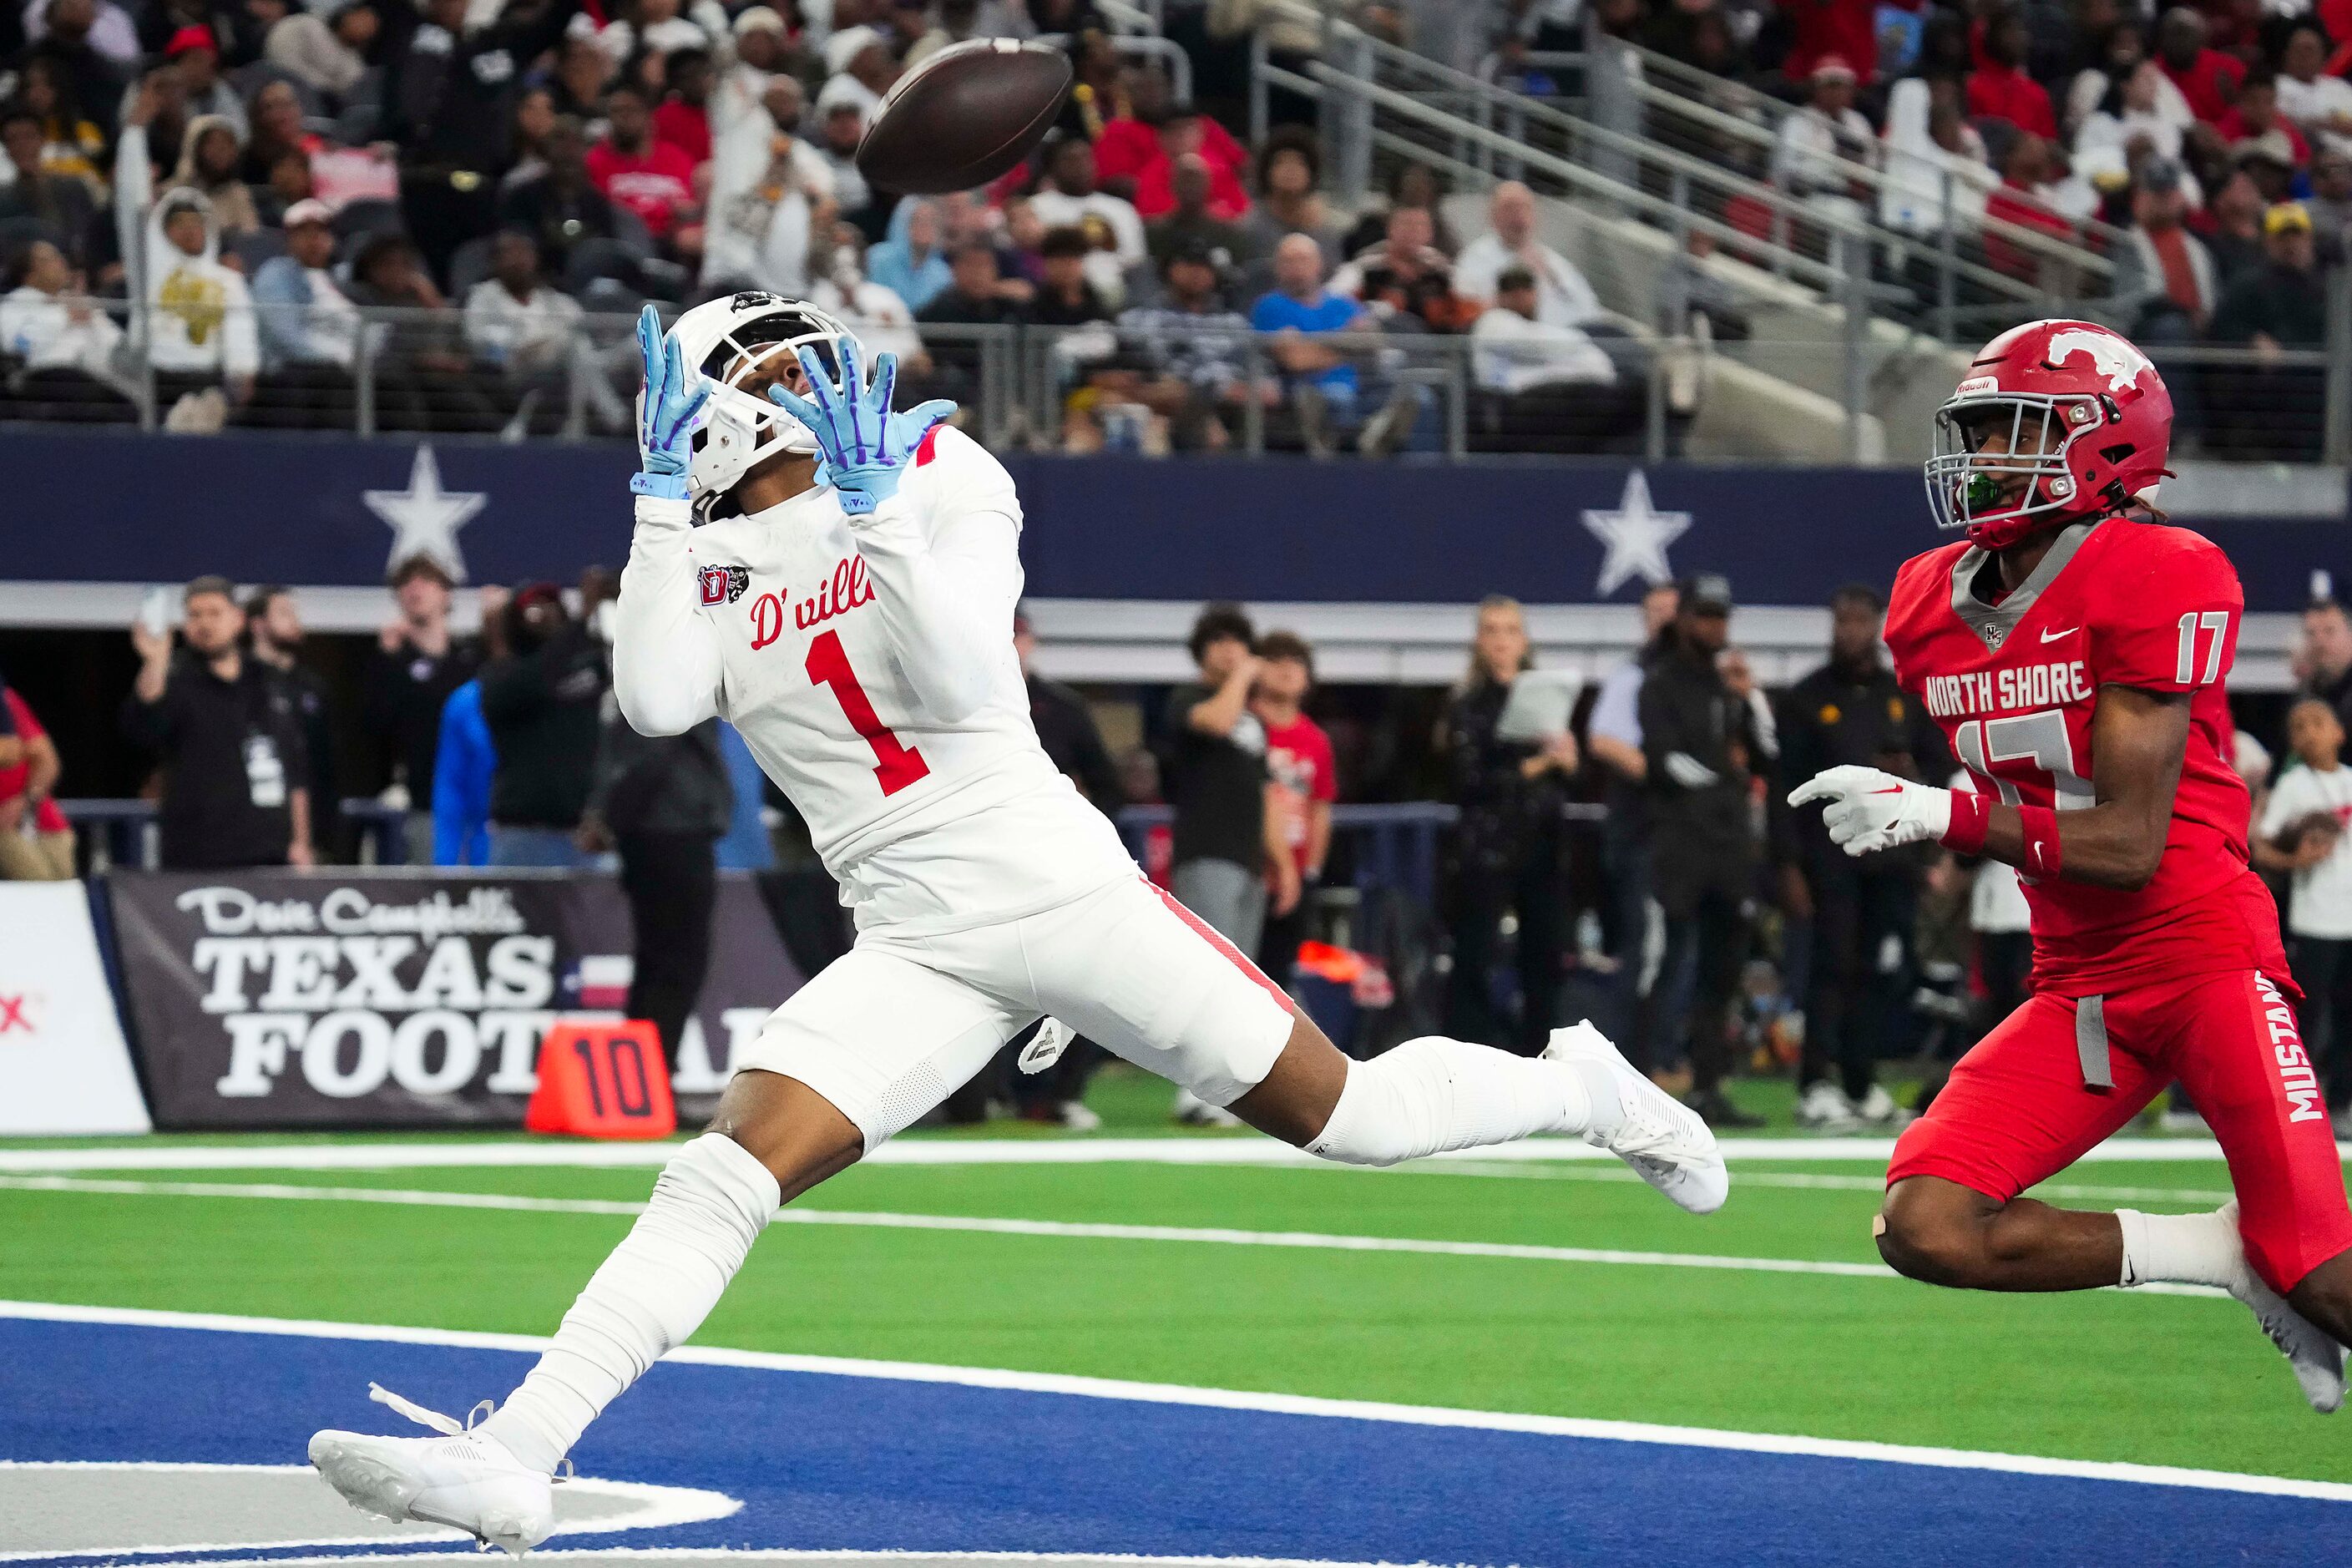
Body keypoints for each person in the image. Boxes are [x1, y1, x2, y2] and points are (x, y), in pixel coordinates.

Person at [308, 301, 1726, 1546]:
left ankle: (1577, 1082)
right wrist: (654, 513)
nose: (667, 436)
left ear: (739, 408)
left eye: (681, 415)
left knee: (1350, 1116)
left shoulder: (932, 468)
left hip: (1059, 891)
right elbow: (657, 700)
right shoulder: (706, 554)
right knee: (721, 1169)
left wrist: (869, 516)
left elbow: (962, 672)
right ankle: (516, 1455)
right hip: (915, 939)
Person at [1788, 316, 2352, 1414]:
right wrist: (1935, 812)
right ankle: (2219, 1255)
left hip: (2201, 960)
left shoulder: (2160, 569)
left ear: (2106, 443)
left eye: (2014, 428)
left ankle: (2273, 1259)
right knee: (1927, 1225)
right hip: (2076, 984)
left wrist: (1942, 815)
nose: (1984, 455)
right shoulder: (1922, 603)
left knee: (2325, 1276)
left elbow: (2128, 847)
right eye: (1978, 428)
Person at [1774, 584, 1946, 1130]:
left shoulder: (1900, 697)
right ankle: (1814, 1085)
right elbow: (1784, 789)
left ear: (1876, 624)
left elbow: (1934, 776)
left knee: (1876, 974)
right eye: (1840, 620)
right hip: (1828, 861)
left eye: (1859, 620)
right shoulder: (1805, 698)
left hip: (1889, 860)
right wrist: (1786, 865)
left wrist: (1923, 855)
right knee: (1830, 970)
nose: (1849, 630)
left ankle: (1859, 1082)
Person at [1642, 574, 1763, 1127]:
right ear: (1683, 619)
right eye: (1705, 616)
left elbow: (1765, 753)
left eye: (1721, 617)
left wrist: (1750, 697)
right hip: (1680, 852)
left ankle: (1708, 1085)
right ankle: (1646, 1080)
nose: (1715, 627)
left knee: (1721, 973)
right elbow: (1666, 762)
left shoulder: (1724, 688)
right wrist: (1725, 784)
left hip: (1726, 853)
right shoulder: (1660, 684)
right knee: (1669, 966)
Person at [1442, 596, 1576, 1055]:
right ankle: (1467, 1062)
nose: (1501, 640)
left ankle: (1541, 1060)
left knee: (1545, 958)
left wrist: (1567, 760)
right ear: (1479, 641)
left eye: (1510, 630)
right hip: (1486, 848)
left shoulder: (1547, 698)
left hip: (1542, 844)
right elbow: (1467, 779)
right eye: (1491, 630)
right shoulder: (1467, 705)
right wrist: (1539, 765)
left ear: (1524, 640)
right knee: (1475, 957)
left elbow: (1565, 776)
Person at [121, 575, 314, 871]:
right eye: (195, 615)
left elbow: (295, 770)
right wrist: (153, 664)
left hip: (268, 852)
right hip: (196, 855)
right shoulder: (174, 682)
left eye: (214, 613)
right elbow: (142, 731)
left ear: (237, 619)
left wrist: (300, 842)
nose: (205, 624)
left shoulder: (267, 682)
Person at [582, 705, 732, 1070]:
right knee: (678, 961)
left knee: (656, 958)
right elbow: (651, 756)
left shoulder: (635, 691)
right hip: (675, 832)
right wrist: (609, 819)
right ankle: (652, 1074)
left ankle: (637, 1076)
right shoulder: (671, 688)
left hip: (653, 832)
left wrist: (608, 817)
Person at [1586, 581, 1677, 1070]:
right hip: (1643, 833)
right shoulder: (1634, 675)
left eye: (1672, 609)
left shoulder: (1695, 674)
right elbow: (1604, 740)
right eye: (1655, 610)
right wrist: (1670, 772)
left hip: (1685, 838)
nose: (1664, 619)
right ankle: (1626, 1059)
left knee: (1678, 954)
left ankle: (1664, 1054)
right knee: (1643, 949)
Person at [2253, 698, 2352, 1136]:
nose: (2309, 731)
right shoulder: (2293, 786)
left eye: (2317, 722)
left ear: (2339, 733)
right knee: (2308, 1018)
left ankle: (2345, 1103)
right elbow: (2261, 846)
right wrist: (2297, 862)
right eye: (2298, 726)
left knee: (2350, 1016)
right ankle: (2303, 1107)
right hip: (2316, 919)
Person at [363, 559, 486, 865]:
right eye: (406, 582)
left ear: (446, 594)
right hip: (420, 805)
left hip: (474, 807)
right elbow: (372, 730)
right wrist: (387, 661)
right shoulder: (390, 663)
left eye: (426, 580)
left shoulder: (470, 660)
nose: (415, 588)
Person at [478, 582, 608, 867]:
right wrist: (580, 621)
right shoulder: (500, 676)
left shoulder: (588, 665)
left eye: (551, 605)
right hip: (523, 834)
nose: (544, 614)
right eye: (533, 608)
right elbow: (539, 675)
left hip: (584, 834)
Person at [1251, 630, 1335, 986]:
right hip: (1248, 869)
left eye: (1296, 663)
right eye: (1276, 660)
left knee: (1279, 978)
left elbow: (1320, 808)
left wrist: (1311, 871)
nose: (1287, 670)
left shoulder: (1315, 740)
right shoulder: (1244, 728)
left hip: (1295, 876)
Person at [244, 585, 337, 854]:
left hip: (315, 825)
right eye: (284, 613)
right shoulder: (244, 684)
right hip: (259, 828)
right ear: (258, 625)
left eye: (294, 613)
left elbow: (325, 764)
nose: (294, 621)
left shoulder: (313, 687)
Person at [1453, 180, 1601, 326]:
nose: (1518, 216)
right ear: (1492, 216)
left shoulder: (1555, 262)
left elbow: (1589, 307)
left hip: (1569, 339)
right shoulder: (1475, 258)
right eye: (1509, 208)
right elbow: (1468, 310)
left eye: (1525, 208)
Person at [0, 685, 74, 881]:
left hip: (42, 821)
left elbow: (48, 759)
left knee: (65, 890)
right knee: (38, 886)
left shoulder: (6, 700)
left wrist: (26, 800)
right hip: (4, 828)